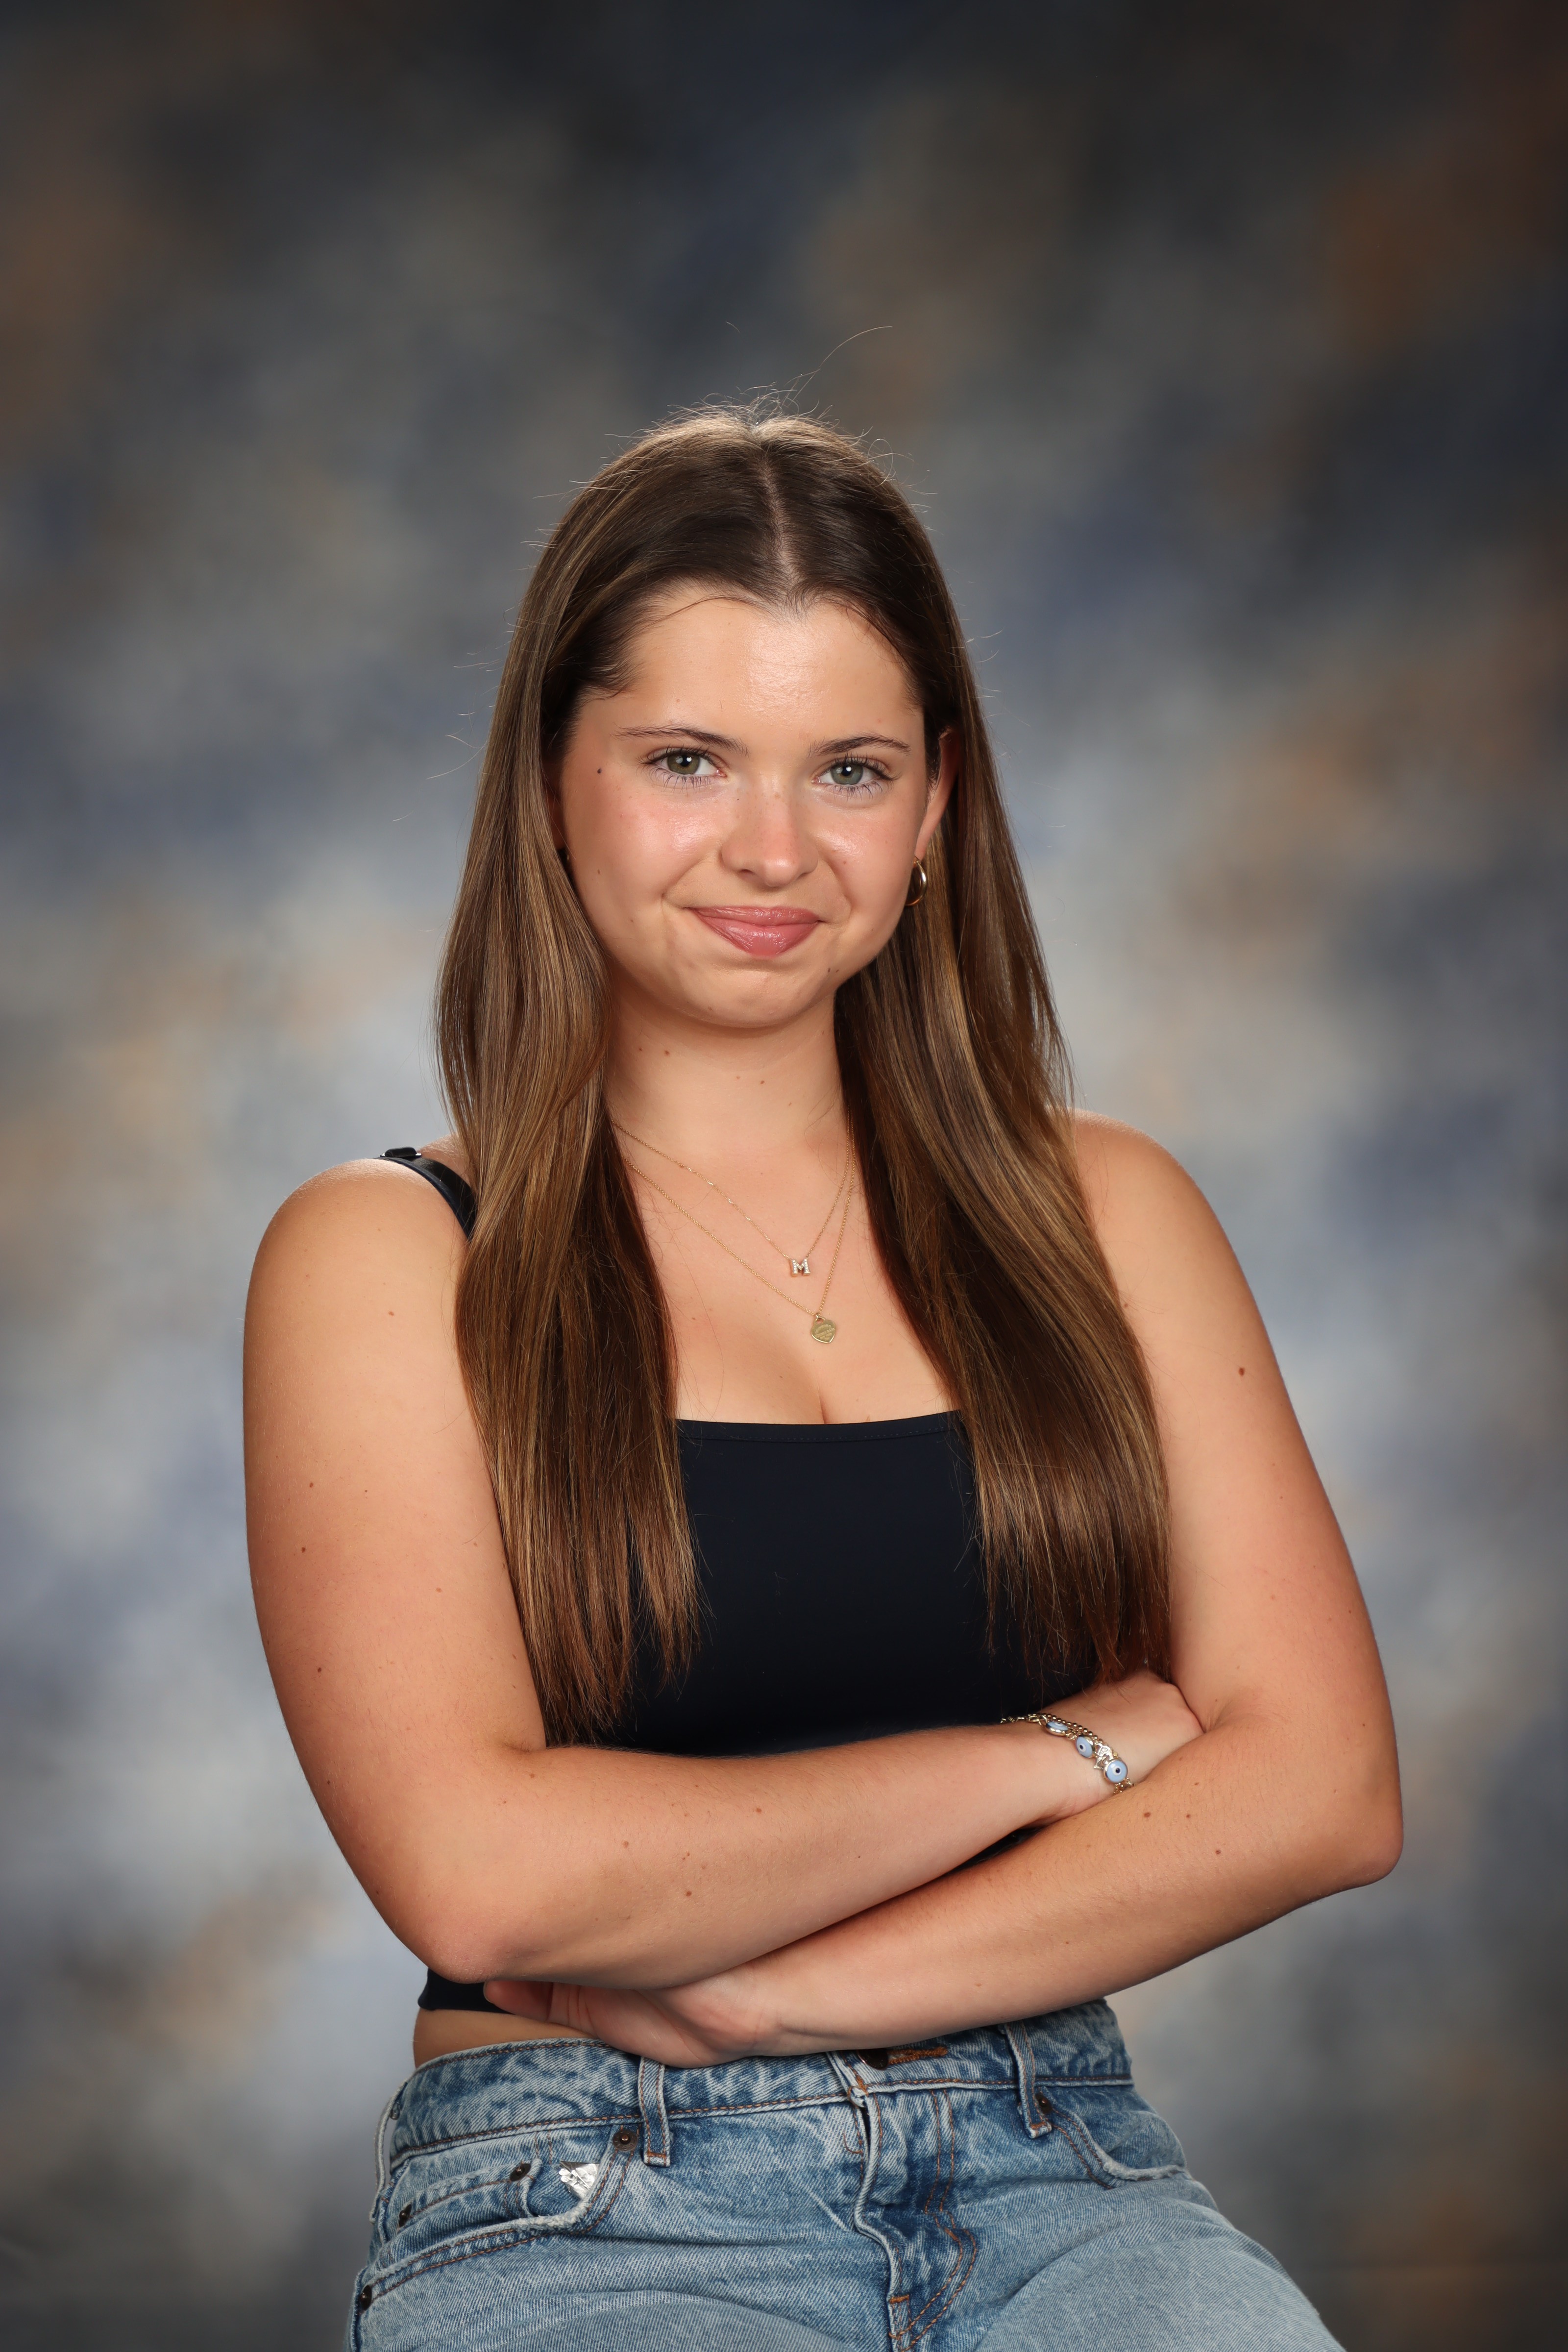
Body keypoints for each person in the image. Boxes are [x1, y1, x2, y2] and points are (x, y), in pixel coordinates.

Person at [244, 407, 1400, 2352]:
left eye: (849, 770)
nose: (772, 850)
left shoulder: (1107, 1212)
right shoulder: (388, 1252)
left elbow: (1323, 1787)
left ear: (936, 805)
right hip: (585, 2185)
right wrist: (1052, 1754)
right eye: (685, 760)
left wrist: (784, 1997)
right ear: (550, 785)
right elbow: (483, 1877)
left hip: (1059, 2163)